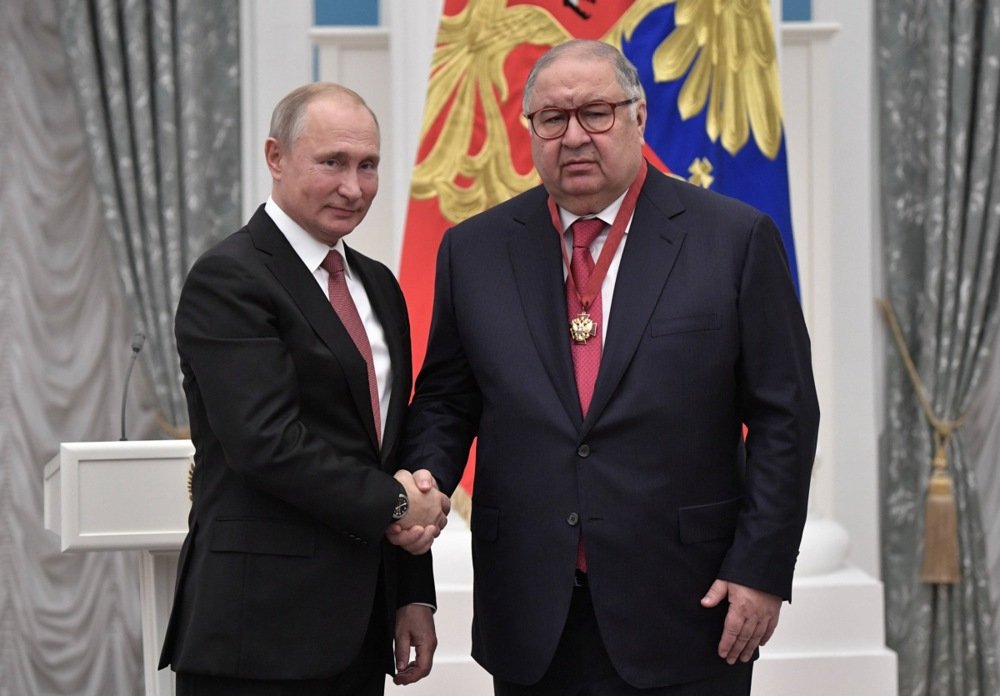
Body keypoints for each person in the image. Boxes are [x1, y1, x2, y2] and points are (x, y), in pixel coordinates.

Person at [402, 40, 820, 695]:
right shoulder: (474, 250)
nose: (574, 137)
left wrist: (761, 567)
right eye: (552, 119)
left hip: (689, 608)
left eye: (596, 113)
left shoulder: (733, 240)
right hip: (532, 614)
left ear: (639, 117)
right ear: (530, 130)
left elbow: (784, 417)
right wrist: (425, 479)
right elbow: (447, 401)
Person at [158, 82, 451, 696]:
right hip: (256, 633)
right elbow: (265, 443)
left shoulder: (379, 285)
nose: (353, 187)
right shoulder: (230, 277)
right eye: (332, 163)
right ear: (276, 157)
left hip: (361, 631)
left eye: (367, 165)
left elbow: (388, 450)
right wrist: (398, 505)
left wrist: (412, 594)